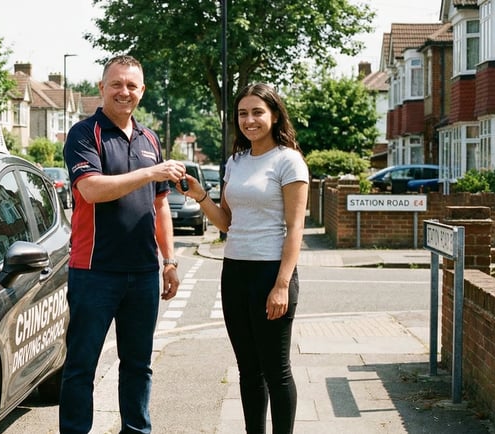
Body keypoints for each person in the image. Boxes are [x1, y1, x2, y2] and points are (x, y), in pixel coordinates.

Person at [59, 54, 185, 434]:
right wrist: (151, 171)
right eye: (116, 84)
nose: (124, 91)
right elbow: (92, 190)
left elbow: (160, 205)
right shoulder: (84, 134)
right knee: (81, 366)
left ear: (142, 91)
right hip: (94, 271)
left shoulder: (150, 139)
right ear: (102, 87)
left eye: (131, 85)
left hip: (143, 272)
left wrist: (169, 261)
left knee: (138, 366)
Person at [178, 83, 309, 434]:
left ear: (275, 115)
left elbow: (295, 228)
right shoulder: (235, 162)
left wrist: (282, 285)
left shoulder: (288, 160)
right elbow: (226, 222)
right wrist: (200, 196)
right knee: (248, 371)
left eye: (257, 112)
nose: (249, 120)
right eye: (242, 114)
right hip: (234, 272)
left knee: (277, 372)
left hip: (271, 273)